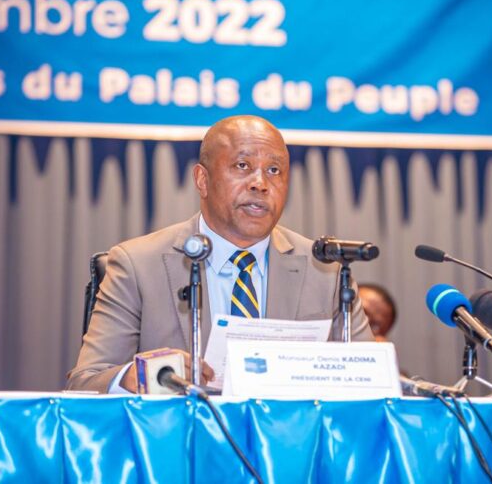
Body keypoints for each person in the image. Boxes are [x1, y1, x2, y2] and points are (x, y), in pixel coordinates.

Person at [67, 115, 373, 393]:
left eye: (274, 170)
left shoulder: (326, 269)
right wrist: (138, 376)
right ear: (202, 180)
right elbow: (85, 382)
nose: (260, 184)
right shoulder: (138, 264)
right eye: (242, 166)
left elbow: (370, 382)